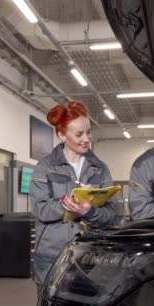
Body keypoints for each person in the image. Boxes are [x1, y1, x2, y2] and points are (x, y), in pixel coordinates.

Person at [30, 101, 116, 293]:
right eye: (79, 134)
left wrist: (90, 211)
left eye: (88, 132)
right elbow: (40, 210)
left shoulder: (100, 169)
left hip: (91, 255)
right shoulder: (45, 168)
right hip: (52, 255)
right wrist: (70, 205)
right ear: (62, 135)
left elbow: (111, 214)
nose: (86, 139)